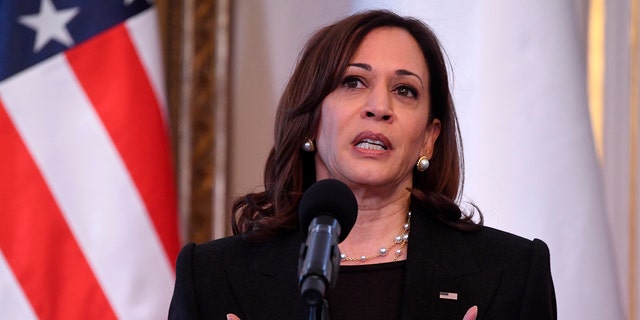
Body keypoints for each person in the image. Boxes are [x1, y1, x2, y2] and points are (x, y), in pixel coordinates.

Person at [168, 9, 557, 320]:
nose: (379, 107)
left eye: (405, 91)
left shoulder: (511, 274)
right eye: (353, 82)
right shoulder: (211, 278)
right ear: (310, 119)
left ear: (429, 137)